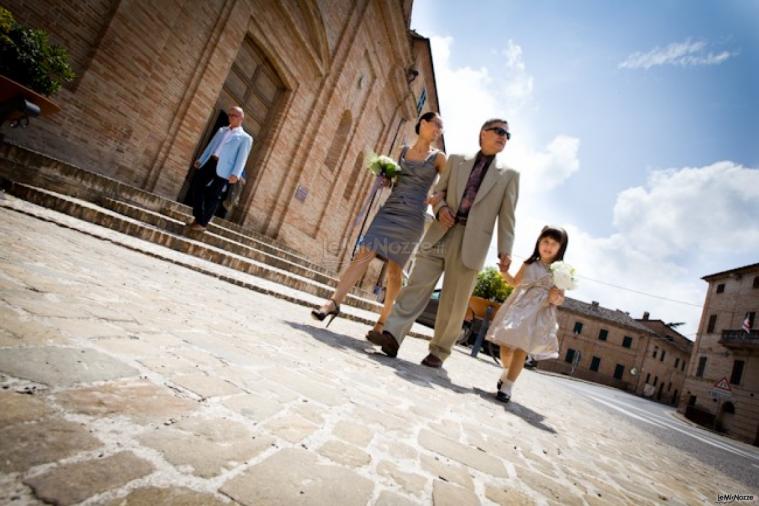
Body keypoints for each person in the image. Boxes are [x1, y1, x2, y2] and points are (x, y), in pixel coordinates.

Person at [367, 118, 519, 368]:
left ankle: (438, 351)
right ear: (483, 133)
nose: (504, 137)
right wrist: (440, 209)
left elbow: (507, 216)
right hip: (441, 230)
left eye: (507, 135)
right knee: (416, 284)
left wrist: (506, 250)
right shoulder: (456, 160)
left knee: (454, 300)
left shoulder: (510, 176)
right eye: (499, 131)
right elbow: (438, 195)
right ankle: (391, 335)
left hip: (472, 244)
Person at [311, 112, 446, 328]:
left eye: (441, 128)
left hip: (412, 218)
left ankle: (384, 321)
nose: (439, 130)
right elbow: (395, 181)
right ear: (422, 123)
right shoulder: (403, 151)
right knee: (363, 253)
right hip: (389, 211)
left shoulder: (439, 158)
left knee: (394, 269)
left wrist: (438, 197)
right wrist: (386, 179)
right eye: (436, 125)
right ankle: (333, 302)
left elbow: (447, 186)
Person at [486, 226, 568, 403]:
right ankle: (507, 371)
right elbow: (515, 283)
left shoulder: (560, 272)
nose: (548, 246)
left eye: (554, 243)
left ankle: (508, 386)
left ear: (560, 248)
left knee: (522, 348)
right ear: (538, 242)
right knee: (506, 346)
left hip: (539, 313)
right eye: (545, 241)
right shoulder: (529, 264)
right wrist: (503, 271)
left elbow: (560, 298)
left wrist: (555, 297)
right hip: (519, 308)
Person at [187, 106, 253, 232]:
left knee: (213, 195)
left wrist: (236, 174)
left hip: (225, 169)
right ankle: (200, 217)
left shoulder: (245, 138)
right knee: (196, 186)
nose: (230, 117)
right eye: (230, 114)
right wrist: (201, 159)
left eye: (234, 115)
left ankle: (201, 223)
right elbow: (212, 145)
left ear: (241, 118)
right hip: (210, 162)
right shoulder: (222, 130)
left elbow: (242, 157)